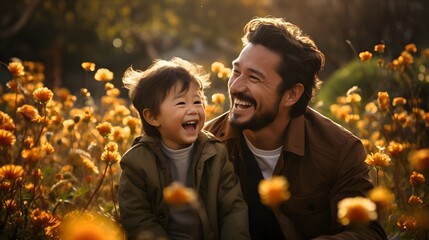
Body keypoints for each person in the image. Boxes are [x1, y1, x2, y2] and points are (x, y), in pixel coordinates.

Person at [204, 17, 387, 240]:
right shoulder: (204, 145)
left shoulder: (340, 150)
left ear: (291, 94)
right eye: (236, 71)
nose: (235, 85)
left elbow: (368, 232)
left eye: (254, 78)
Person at [119, 57, 250, 240]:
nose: (193, 110)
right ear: (153, 117)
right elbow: (137, 218)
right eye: (181, 103)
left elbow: (233, 208)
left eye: (197, 102)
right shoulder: (136, 162)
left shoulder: (216, 153)